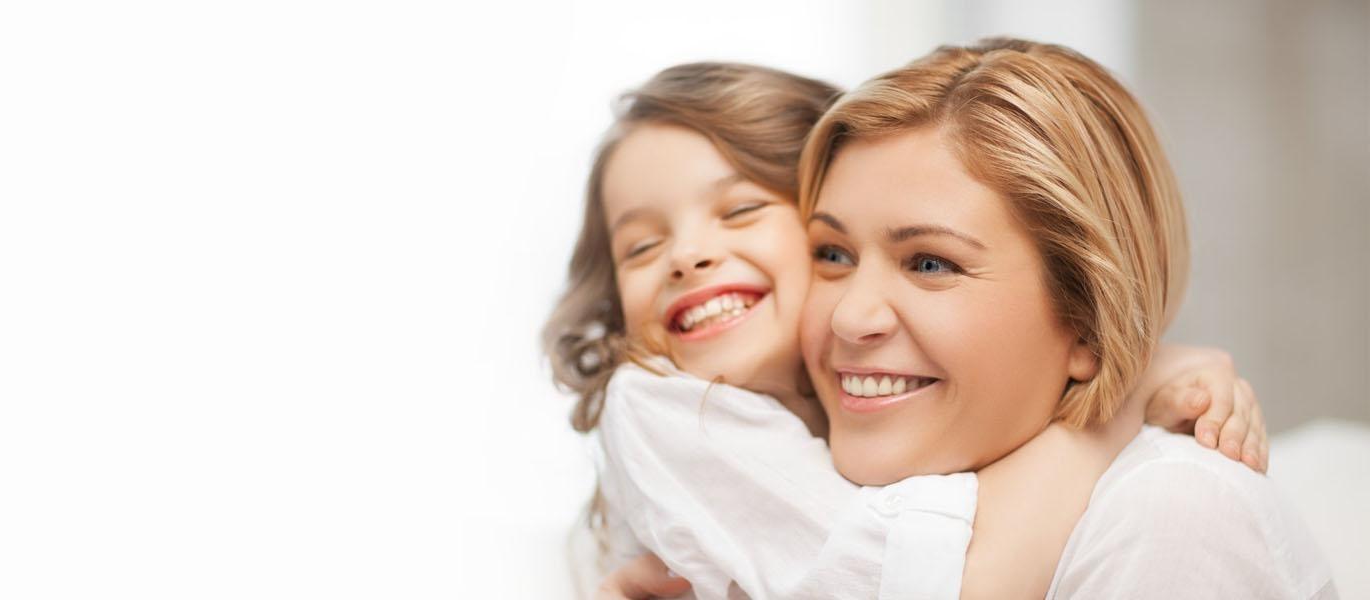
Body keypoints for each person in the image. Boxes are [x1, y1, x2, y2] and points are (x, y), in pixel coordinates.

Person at [542, 61, 1269, 599]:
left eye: (929, 262)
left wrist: (1129, 380)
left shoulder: (1171, 511)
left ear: (1088, 318)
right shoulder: (671, 408)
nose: (854, 317)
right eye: (834, 253)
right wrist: (1130, 390)